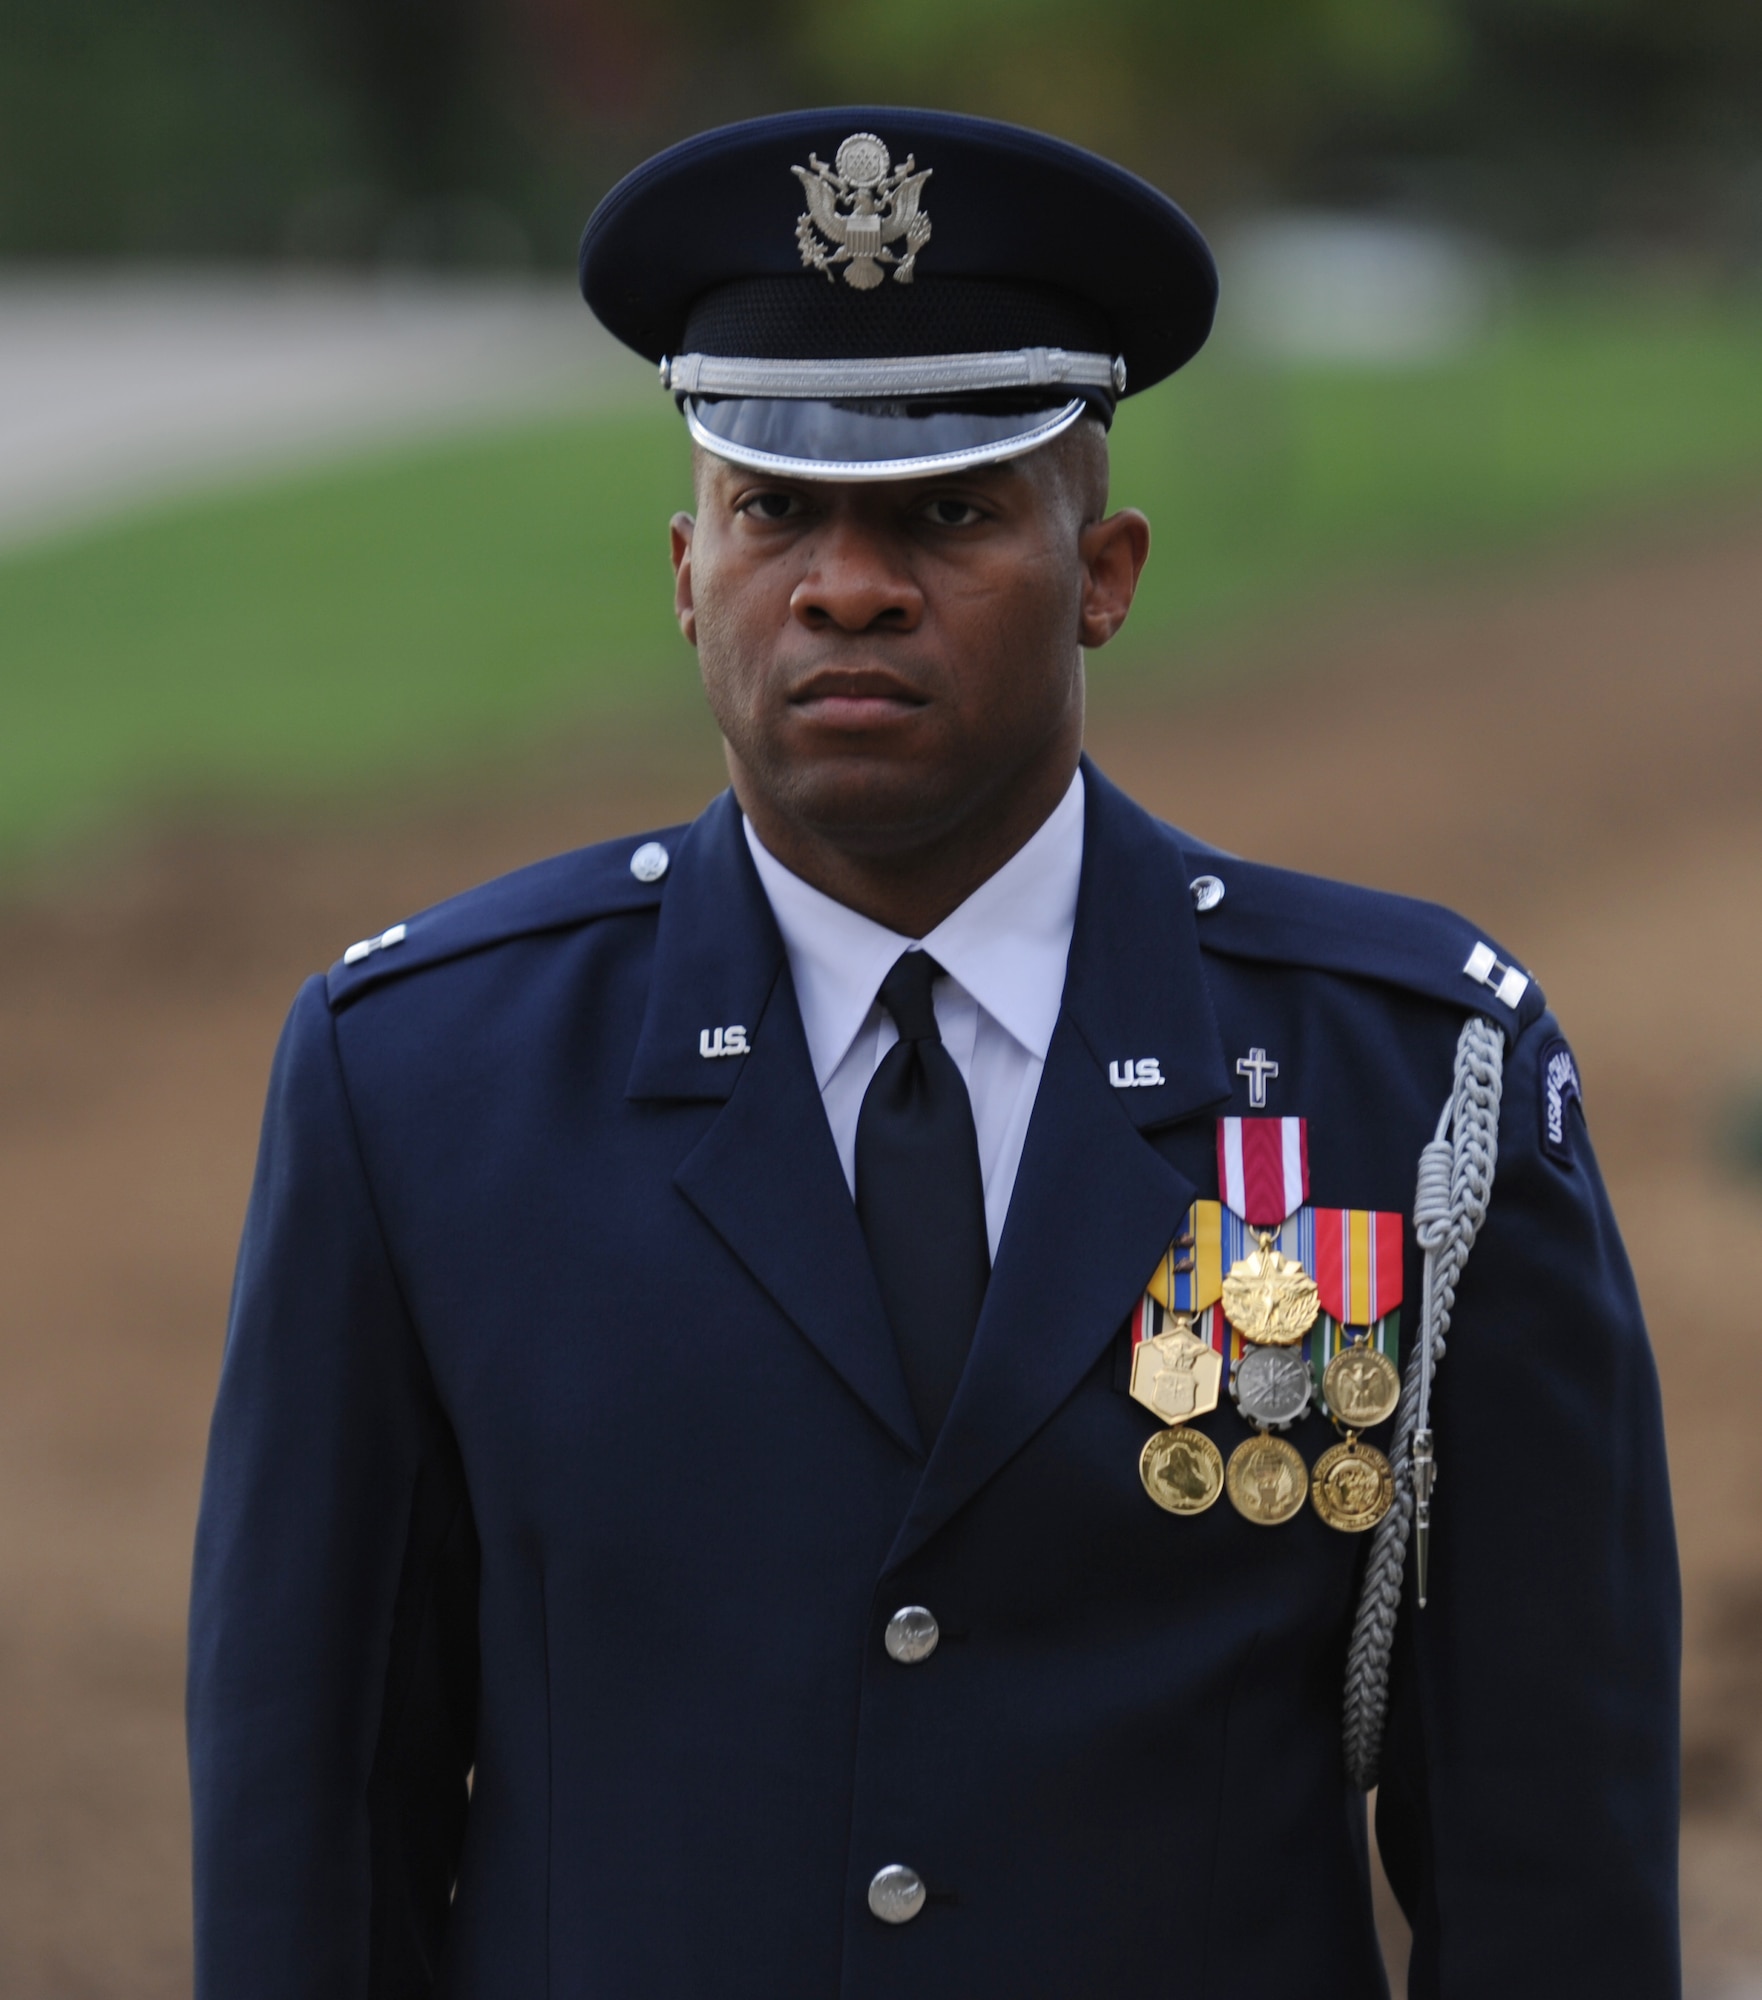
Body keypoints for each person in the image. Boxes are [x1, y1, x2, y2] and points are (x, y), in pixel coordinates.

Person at [187, 107, 1680, 1997]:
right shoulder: (422, 1080)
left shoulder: (1408, 1080)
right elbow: (311, 1828)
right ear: (682, 567)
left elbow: (1550, 1844)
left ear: (1106, 569)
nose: (847, 586)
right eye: (775, 510)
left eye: (948, 513)